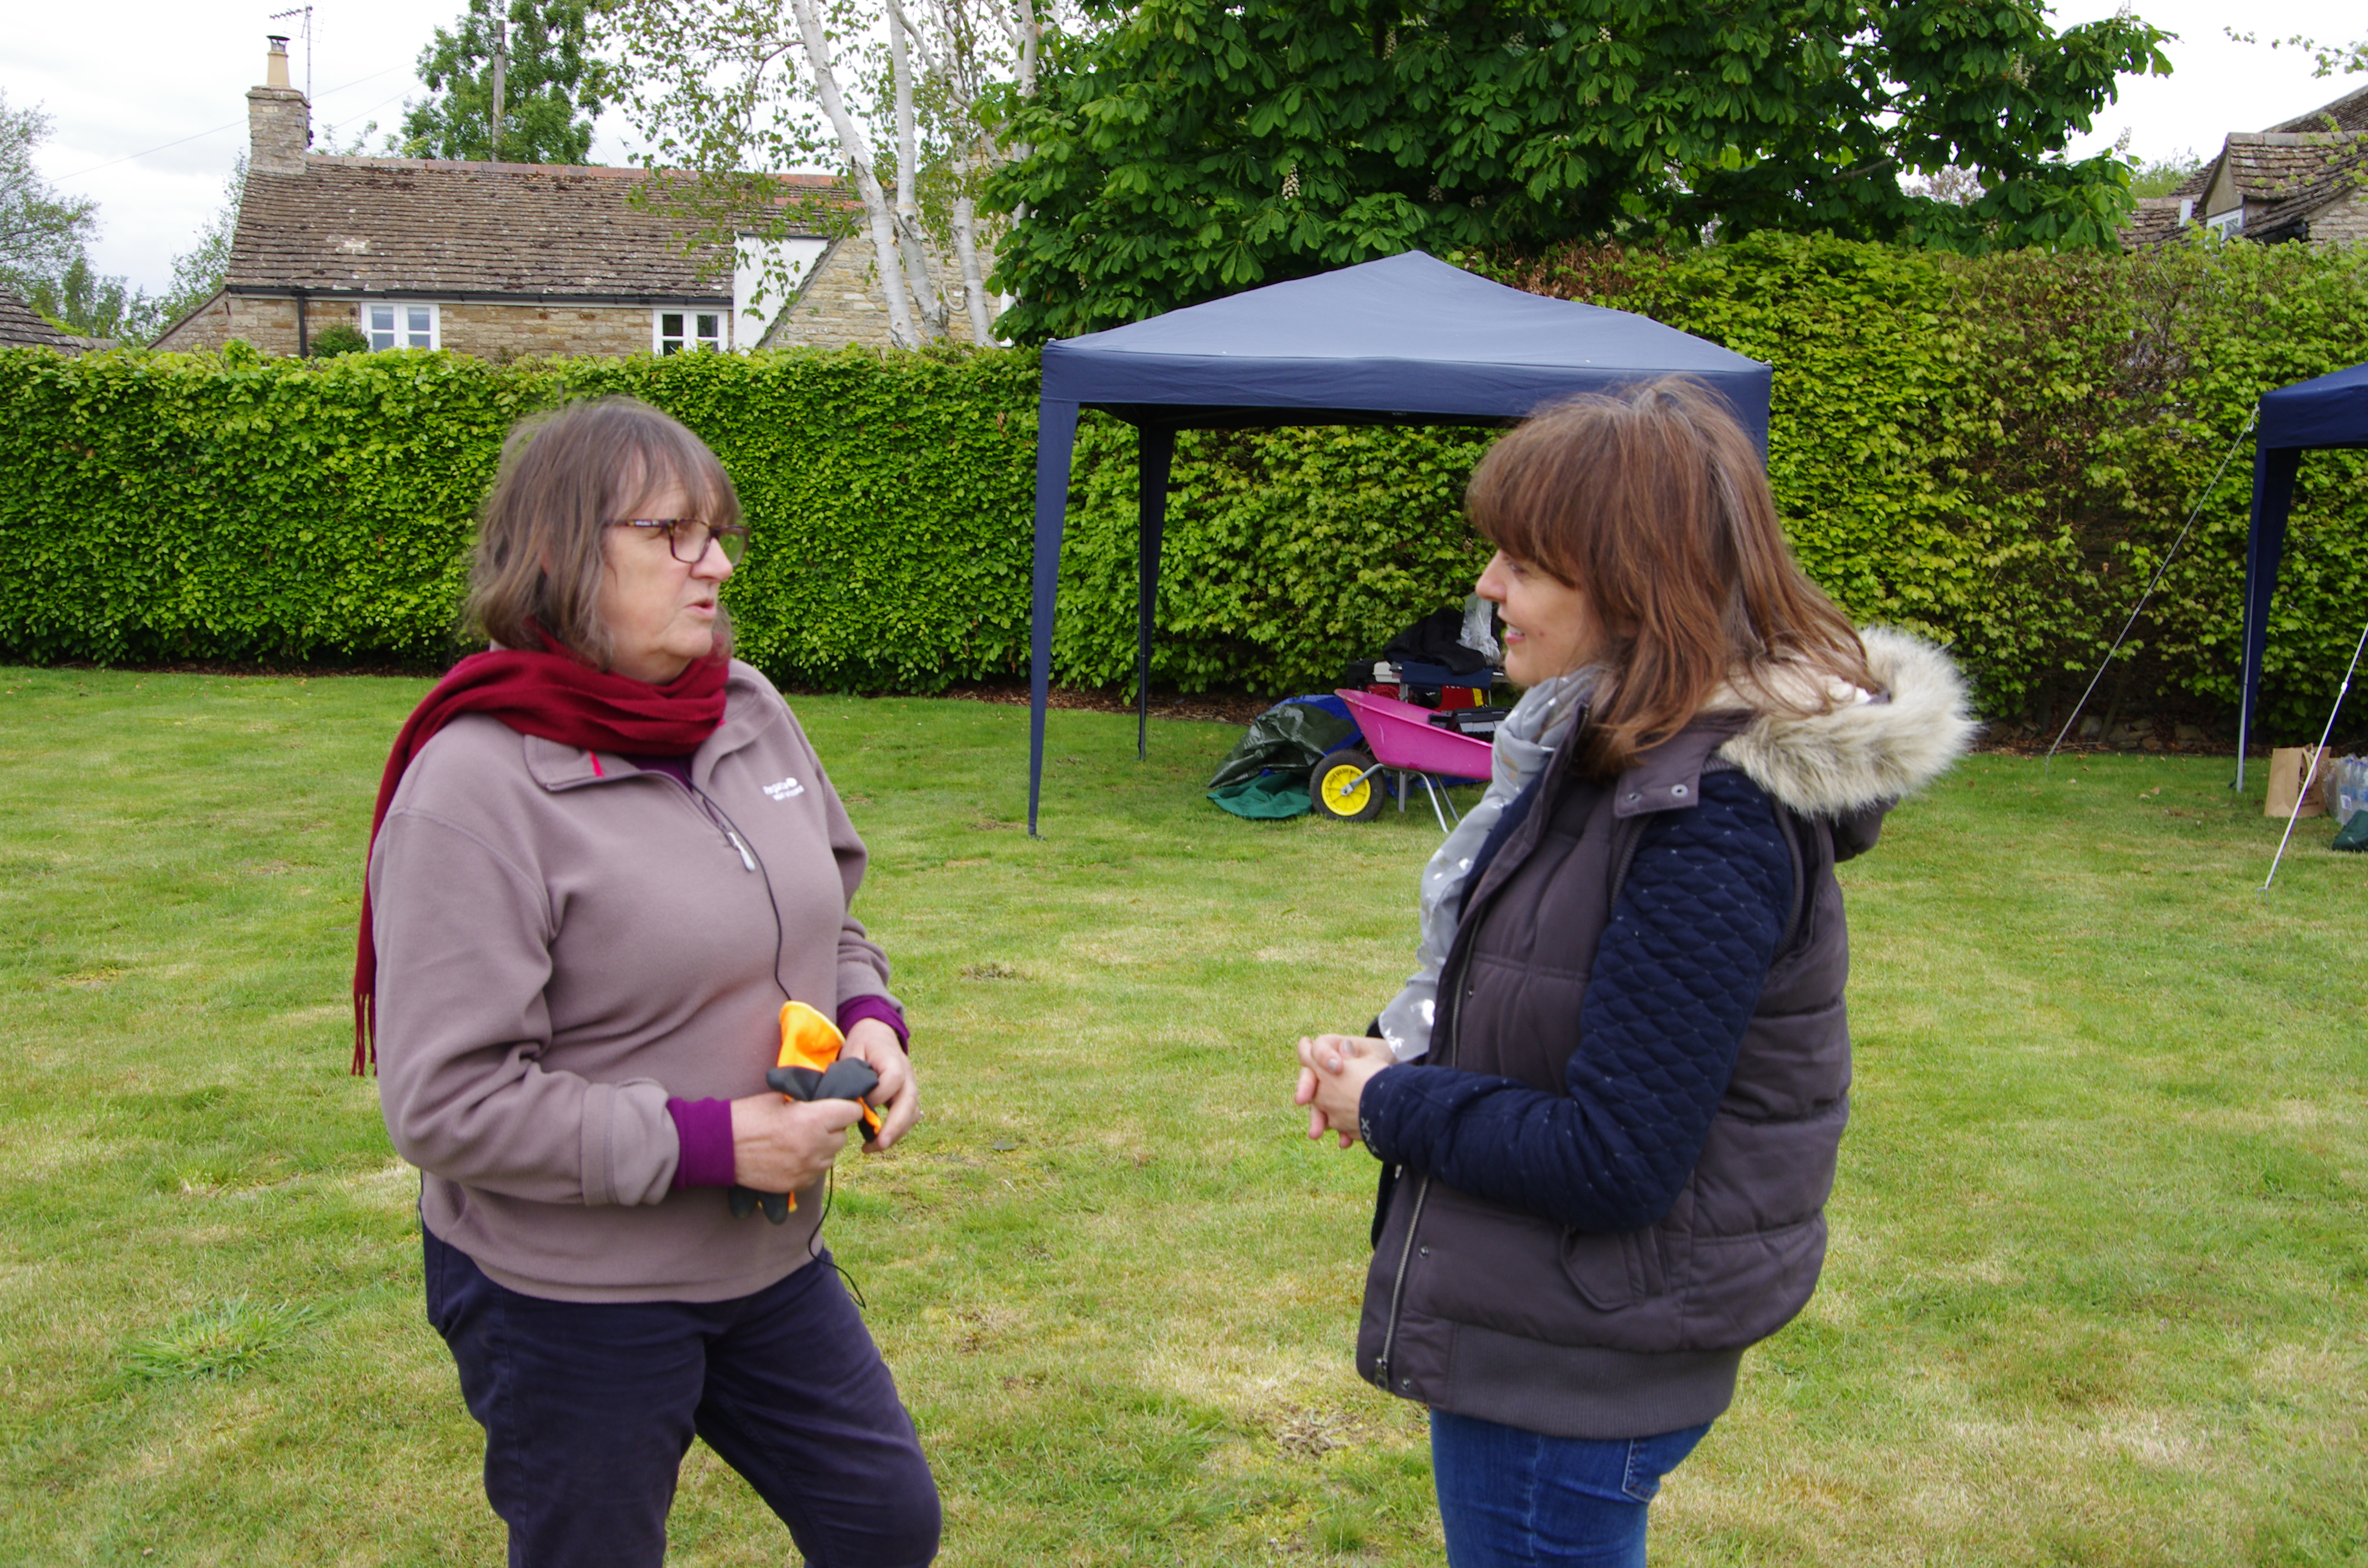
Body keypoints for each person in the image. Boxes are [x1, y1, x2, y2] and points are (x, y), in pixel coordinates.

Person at [1293, 379, 1973, 1567]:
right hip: (1552, 1327)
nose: (1489, 589)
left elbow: (1616, 1156)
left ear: (1629, 581)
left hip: (1577, 1362)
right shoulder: (1607, 752)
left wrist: (1392, 1104)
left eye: (1523, 563)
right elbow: (1535, 986)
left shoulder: (1705, 815)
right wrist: (1400, 1047)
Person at [355, 397, 940, 1568]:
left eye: (716, 532)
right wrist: (719, 1144)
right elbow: (447, 1104)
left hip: (768, 1258)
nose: (715, 564)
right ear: (564, 553)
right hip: (569, 1298)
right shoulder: (473, 788)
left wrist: (871, 1019)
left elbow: (826, 914)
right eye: (671, 534)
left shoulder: (750, 712)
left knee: (884, 1524)